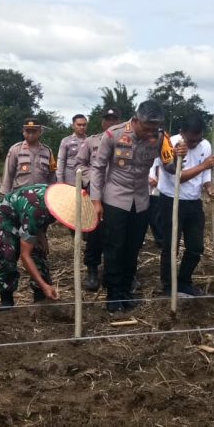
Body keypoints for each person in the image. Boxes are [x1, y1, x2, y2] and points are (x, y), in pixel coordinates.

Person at [90, 100, 186, 312]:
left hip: (142, 200)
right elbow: (98, 168)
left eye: (154, 128)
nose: (150, 133)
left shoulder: (161, 137)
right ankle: (113, 293)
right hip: (116, 198)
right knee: (115, 247)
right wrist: (96, 201)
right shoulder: (113, 135)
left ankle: (126, 289)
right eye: (146, 128)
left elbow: (169, 166)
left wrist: (180, 157)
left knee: (133, 247)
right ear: (135, 120)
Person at [0, 183, 97, 307]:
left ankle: (40, 296)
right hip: (7, 216)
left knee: (39, 251)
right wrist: (45, 286)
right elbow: (25, 255)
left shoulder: (57, 201)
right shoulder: (36, 210)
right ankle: (6, 299)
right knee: (7, 253)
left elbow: (44, 218)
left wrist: (41, 235)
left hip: (30, 216)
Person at [157, 115, 214, 297]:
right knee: (171, 245)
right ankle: (168, 285)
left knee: (196, 247)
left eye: (197, 139)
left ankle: (184, 281)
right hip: (171, 200)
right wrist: (204, 166)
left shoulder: (205, 145)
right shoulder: (169, 145)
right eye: (191, 140)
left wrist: (209, 187)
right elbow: (178, 177)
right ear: (182, 133)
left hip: (193, 201)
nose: (194, 144)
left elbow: (206, 174)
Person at [74, 107, 122, 291]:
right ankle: (92, 270)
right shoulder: (90, 141)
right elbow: (80, 164)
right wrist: (92, 179)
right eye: (107, 119)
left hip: (118, 194)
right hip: (96, 193)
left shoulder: (126, 142)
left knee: (117, 234)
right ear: (102, 122)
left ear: (120, 122)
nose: (110, 123)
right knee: (94, 232)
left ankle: (117, 271)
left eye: (114, 119)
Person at [0, 117, 57, 195]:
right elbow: (8, 174)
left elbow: (52, 176)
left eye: (34, 131)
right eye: (28, 131)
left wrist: (53, 193)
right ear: (23, 132)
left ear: (40, 132)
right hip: (20, 196)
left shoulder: (48, 151)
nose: (31, 134)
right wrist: (5, 194)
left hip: (41, 197)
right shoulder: (15, 150)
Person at [56, 114, 88, 185]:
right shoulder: (66, 141)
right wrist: (60, 182)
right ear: (73, 126)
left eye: (84, 125)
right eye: (79, 125)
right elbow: (61, 161)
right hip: (70, 180)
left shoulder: (90, 141)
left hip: (86, 180)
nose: (82, 127)